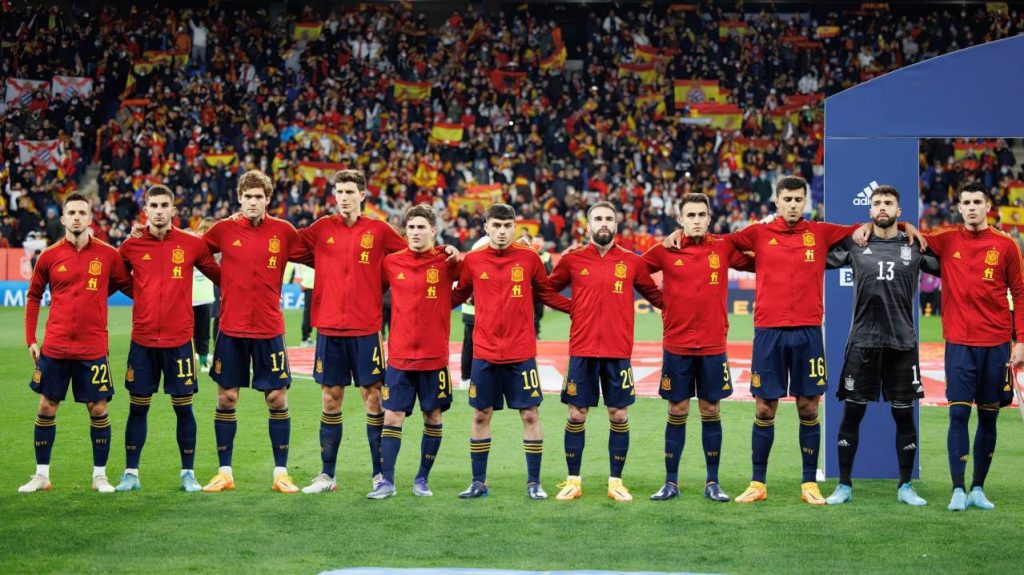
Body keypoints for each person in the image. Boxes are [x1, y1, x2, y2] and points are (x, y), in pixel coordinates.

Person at [666, 176, 921, 505]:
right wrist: (680, 234)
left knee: (808, 405)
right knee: (764, 408)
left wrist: (906, 224)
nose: (792, 204)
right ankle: (758, 483)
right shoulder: (757, 233)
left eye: (798, 199)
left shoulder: (820, 232)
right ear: (777, 202)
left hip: (808, 332)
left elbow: (873, 222)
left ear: (805, 202)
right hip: (769, 333)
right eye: (786, 199)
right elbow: (716, 241)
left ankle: (808, 484)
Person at [902, 181, 1024, 511]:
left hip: (996, 344)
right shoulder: (947, 240)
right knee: (958, 415)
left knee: (989, 419)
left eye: (976, 202)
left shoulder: (1006, 246)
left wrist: (1021, 341)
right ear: (958, 208)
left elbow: (1021, 294)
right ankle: (958, 488)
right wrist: (905, 225)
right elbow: (913, 239)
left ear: (988, 207)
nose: (970, 207)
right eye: (965, 202)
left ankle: (978, 488)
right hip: (958, 344)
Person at [823, 185, 938, 506]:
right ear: (869, 210)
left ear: (899, 212)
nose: (882, 207)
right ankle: (844, 485)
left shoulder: (915, 245)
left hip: (902, 343)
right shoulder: (856, 244)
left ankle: (905, 486)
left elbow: (955, 265)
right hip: (862, 343)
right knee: (852, 414)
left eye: (888, 203)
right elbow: (814, 256)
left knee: (904, 416)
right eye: (877, 203)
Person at [296, 169, 408, 494]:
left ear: (362, 195)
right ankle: (327, 476)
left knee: (373, 398)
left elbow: (407, 258)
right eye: (339, 191)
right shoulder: (321, 229)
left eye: (349, 191)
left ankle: (380, 475)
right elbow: (281, 242)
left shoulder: (379, 230)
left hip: (366, 328)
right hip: (329, 327)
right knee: (331, 399)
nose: (343, 197)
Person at [199, 170, 311, 494]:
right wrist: (222, 278)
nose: (252, 202)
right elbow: (197, 253)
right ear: (239, 198)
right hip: (231, 328)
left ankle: (281, 474)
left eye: (258, 197)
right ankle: (225, 473)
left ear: (267, 200)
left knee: (276, 399)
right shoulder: (224, 229)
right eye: (247, 196)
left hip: (269, 327)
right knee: (226, 397)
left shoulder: (283, 232)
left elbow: (317, 256)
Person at [451, 204, 571, 499]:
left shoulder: (529, 258)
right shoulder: (474, 260)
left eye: (507, 226)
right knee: (481, 414)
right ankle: (478, 482)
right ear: (486, 227)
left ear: (515, 227)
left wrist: (579, 309)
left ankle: (534, 483)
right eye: (496, 225)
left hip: (521, 353)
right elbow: (456, 294)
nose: (502, 231)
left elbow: (546, 293)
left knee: (530, 414)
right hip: (484, 353)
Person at [548, 201, 663, 501]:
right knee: (576, 415)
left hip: (617, 352)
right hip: (582, 350)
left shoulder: (632, 262)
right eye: (597, 218)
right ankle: (573, 480)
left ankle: (616, 482)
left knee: (619, 415)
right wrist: (572, 308)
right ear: (587, 225)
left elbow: (657, 297)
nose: (603, 223)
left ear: (616, 224)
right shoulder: (572, 259)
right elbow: (546, 290)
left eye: (609, 219)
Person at [642, 193, 754, 501]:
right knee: (677, 409)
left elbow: (760, 261)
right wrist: (659, 300)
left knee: (710, 409)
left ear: (708, 218)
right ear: (680, 219)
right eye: (689, 215)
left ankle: (712, 482)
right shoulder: (665, 249)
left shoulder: (723, 246)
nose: (695, 220)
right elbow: (636, 271)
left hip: (712, 345)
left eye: (701, 214)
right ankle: (671, 482)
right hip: (677, 345)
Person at [19, 192, 133, 493]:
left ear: (91, 217)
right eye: (72, 213)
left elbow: (133, 287)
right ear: (64, 218)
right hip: (54, 348)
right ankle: (41, 474)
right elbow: (33, 296)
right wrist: (31, 338)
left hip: (93, 348)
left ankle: (99, 476)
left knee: (98, 409)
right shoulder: (49, 256)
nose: (77, 217)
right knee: (47, 405)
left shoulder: (108, 255)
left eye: (82, 212)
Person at [114, 185, 221, 492]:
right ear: (145, 210)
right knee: (138, 407)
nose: (159, 210)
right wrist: (143, 295)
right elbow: (118, 277)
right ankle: (130, 473)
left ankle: (188, 473)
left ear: (174, 211)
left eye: (164, 205)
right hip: (143, 341)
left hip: (179, 341)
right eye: (153, 205)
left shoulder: (191, 244)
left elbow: (219, 275)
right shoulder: (131, 246)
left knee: (183, 407)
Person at [369, 204, 460, 499]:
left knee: (432, 417)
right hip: (400, 357)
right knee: (392, 417)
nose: (416, 232)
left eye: (422, 227)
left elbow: (470, 283)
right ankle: (387, 482)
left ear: (433, 231)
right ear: (404, 231)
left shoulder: (447, 262)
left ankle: (422, 478)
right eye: (411, 227)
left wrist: (447, 300)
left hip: (435, 358)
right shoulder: (391, 263)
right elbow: (370, 288)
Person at [192, 218, 217, 369]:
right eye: (204, 229)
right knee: (186, 331)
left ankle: (202, 360)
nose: (205, 233)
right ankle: (190, 359)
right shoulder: (189, 246)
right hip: (186, 297)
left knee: (204, 331)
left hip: (205, 297)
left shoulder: (217, 250)